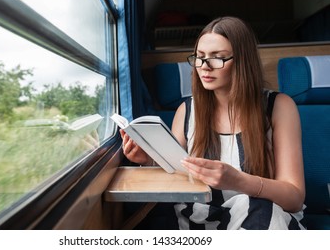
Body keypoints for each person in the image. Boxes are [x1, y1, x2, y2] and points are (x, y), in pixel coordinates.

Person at [120, 16, 306, 230]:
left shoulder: (279, 106)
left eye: (217, 58)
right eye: (199, 57)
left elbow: (294, 198)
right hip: (200, 219)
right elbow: (177, 175)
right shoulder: (186, 111)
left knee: (258, 209)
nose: (204, 67)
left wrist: (238, 181)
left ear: (243, 61)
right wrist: (149, 161)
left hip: (263, 217)